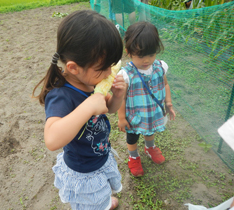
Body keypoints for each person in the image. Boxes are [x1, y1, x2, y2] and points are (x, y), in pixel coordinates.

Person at [32, 10, 126, 210]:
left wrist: (117, 96)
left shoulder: (91, 80)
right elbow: (52, 139)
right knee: (88, 203)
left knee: (102, 194)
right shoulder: (61, 95)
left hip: (100, 155)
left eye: (111, 66)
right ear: (74, 68)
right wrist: (89, 106)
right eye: (103, 67)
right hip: (83, 170)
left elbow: (108, 108)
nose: (109, 73)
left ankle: (104, 203)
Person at [117, 21, 176, 177]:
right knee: (133, 137)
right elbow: (121, 99)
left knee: (150, 130)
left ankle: (150, 147)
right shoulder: (126, 74)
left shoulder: (160, 67)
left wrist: (168, 103)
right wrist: (122, 118)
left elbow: (165, 85)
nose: (147, 60)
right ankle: (134, 157)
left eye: (151, 54)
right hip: (135, 116)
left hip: (152, 112)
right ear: (128, 51)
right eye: (141, 56)